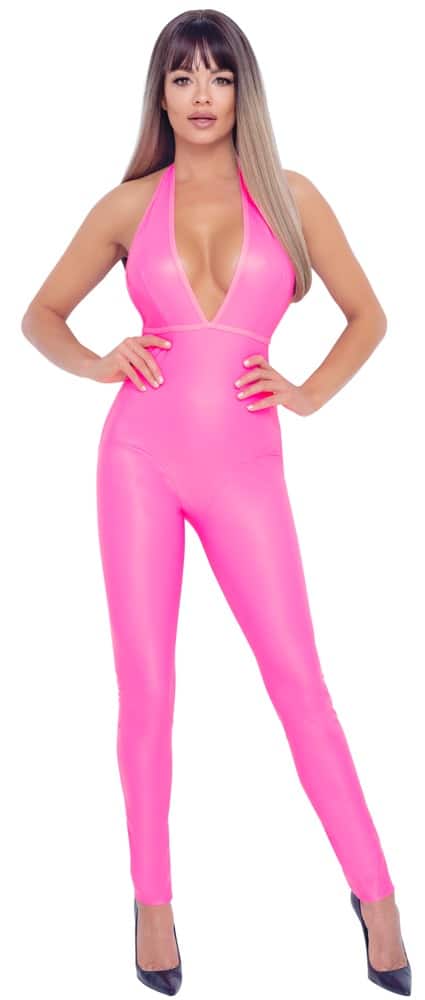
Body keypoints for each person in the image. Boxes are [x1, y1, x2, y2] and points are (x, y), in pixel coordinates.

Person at [21, 9, 411, 997]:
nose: (202, 96)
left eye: (220, 76)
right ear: (159, 94)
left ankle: (376, 898)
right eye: (183, 76)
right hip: (137, 461)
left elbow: (368, 315)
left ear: (243, 92)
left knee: (299, 683)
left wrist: (308, 392)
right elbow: (39, 315)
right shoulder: (126, 206)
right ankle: (151, 904)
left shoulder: (289, 196)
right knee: (147, 690)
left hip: (246, 469)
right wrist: (95, 361)